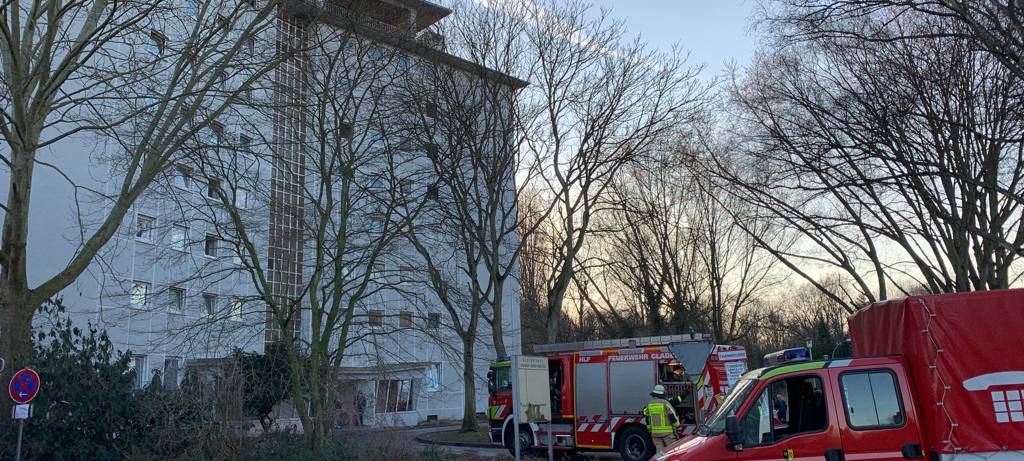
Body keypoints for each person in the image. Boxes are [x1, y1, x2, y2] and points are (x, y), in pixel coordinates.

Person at [643, 385, 680, 450]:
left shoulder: (649, 404)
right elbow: (672, 415)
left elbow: (646, 416)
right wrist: (677, 425)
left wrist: (649, 428)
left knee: (660, 453)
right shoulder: (665, 403)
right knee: (671, 451)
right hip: (667, 434)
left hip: (655, 434)